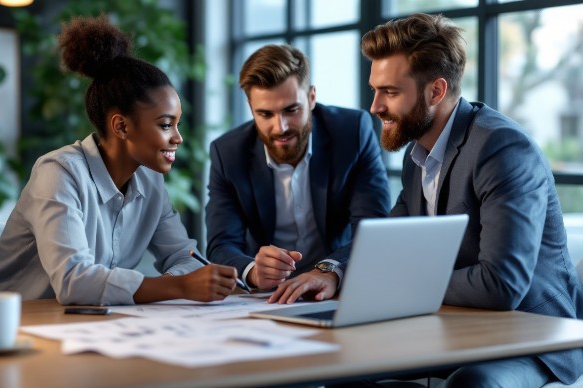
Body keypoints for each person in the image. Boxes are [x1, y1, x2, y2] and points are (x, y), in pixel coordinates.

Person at [362, 13, 583, 387]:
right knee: (349, 370)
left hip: (534, 338)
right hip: (456, 330)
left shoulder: (501, 148)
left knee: (472, 384)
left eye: (391, 92)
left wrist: (404, 284)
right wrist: (331, 271)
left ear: (435, 91)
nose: (375, 106)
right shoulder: (417, 154)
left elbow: (502, 283)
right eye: (375, 89)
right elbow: (383, 236)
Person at [0, 16, 238, 305]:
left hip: (78, 327)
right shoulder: (58, 173)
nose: (178, 138)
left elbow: (186, 256)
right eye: (166, 125)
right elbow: (74, 281)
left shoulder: (151, 182)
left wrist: (181, 282)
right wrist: (180, 287)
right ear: (121, 126)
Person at [205, 44, 390, 304]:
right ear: (250, 107)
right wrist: (254, 272)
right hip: (266, 298)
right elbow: (221, 244)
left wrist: (329, 270)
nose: (280, 127)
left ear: (311, 97)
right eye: (265, 114)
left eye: (291, 110)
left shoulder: (353, 133)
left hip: (336, 289)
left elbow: (372, 230)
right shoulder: (228, 153)